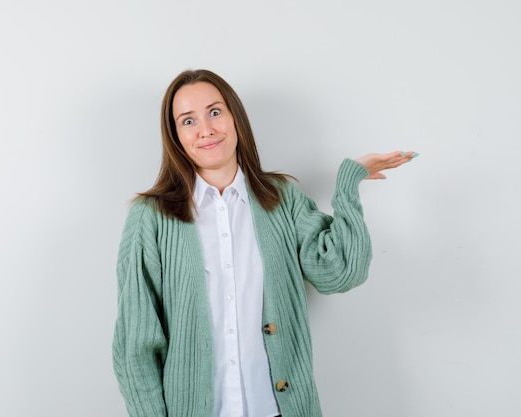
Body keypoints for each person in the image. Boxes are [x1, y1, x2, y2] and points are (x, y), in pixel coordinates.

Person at [112, 69, 417, 417]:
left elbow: (341, 272)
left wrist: (348, 184)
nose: (206, 130)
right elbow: (136, 345)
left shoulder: (282, 199)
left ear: (235, 118)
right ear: (175, 136)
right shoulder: (150, 218)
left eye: (215, 112)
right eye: (188, 121)